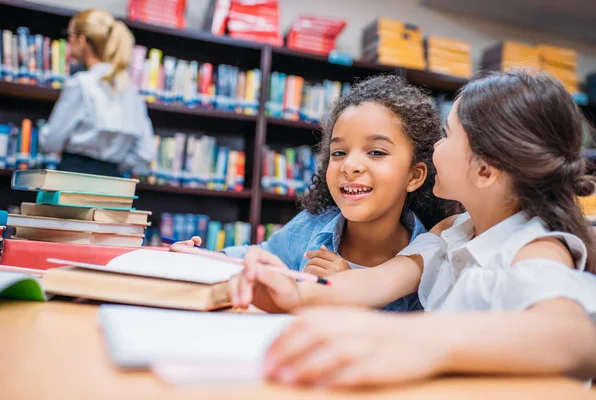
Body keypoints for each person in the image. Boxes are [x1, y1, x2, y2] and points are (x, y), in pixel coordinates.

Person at [230, 70, 596, 387]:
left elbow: (577, 339)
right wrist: (295, 294)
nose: (434, 147)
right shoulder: (452, 230)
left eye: (447, 135)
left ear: (485, 170)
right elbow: (375, 283)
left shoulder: (537, 248)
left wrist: (414, 338)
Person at [172, 74, 457, 312]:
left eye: (376, 152)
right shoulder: (310, 227)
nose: (350, 166)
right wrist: (201, 257)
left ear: (414, 175)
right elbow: (256, 257)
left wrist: (345, 291)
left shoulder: (428, 259)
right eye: (339, 152)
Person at [40, 9, 155, 177]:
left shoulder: (81, 84)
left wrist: (44, 132)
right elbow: (146, 152)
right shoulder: (132, 91)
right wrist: (115, 166)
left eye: (69, 36)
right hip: (113, 182)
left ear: (82, 41)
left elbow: (51, 143)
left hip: (72, 178)